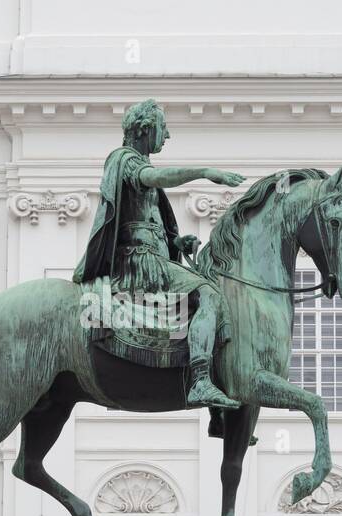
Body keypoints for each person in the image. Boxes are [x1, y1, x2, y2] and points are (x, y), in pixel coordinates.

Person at [73, 98, 244, 410]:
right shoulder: (124, 160)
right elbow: (154, 179)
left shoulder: (135, 164)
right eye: (163, 128)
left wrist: (176, 243)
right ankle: (201, 381)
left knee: (206, 292)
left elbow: (142, 221)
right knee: (211, 295)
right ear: (145, 129)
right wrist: (205, 171)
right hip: (138, 263)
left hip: (155, 258)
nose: (167, 135)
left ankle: (219, 393)